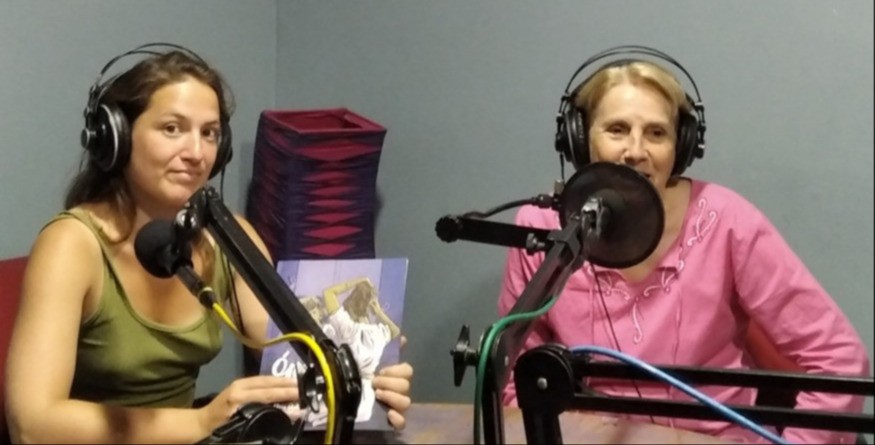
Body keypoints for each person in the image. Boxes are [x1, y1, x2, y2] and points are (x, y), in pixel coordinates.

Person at [4, 43, 413, 444]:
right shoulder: (71, 245)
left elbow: (289, 355)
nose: (196, 153)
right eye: (172, 129)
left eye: (210, 133)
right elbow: (33, 426)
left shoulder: (226, 237)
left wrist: (363, 377)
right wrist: (202, 421)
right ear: (118, 138)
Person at [497, 47, 870, 444]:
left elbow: (840, 359)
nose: (635, 151)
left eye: (656, 133)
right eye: (617, 129)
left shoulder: (727, 221)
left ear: (683, 146)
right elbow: (512, 374)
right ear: (578, 138)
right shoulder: (542, 230)